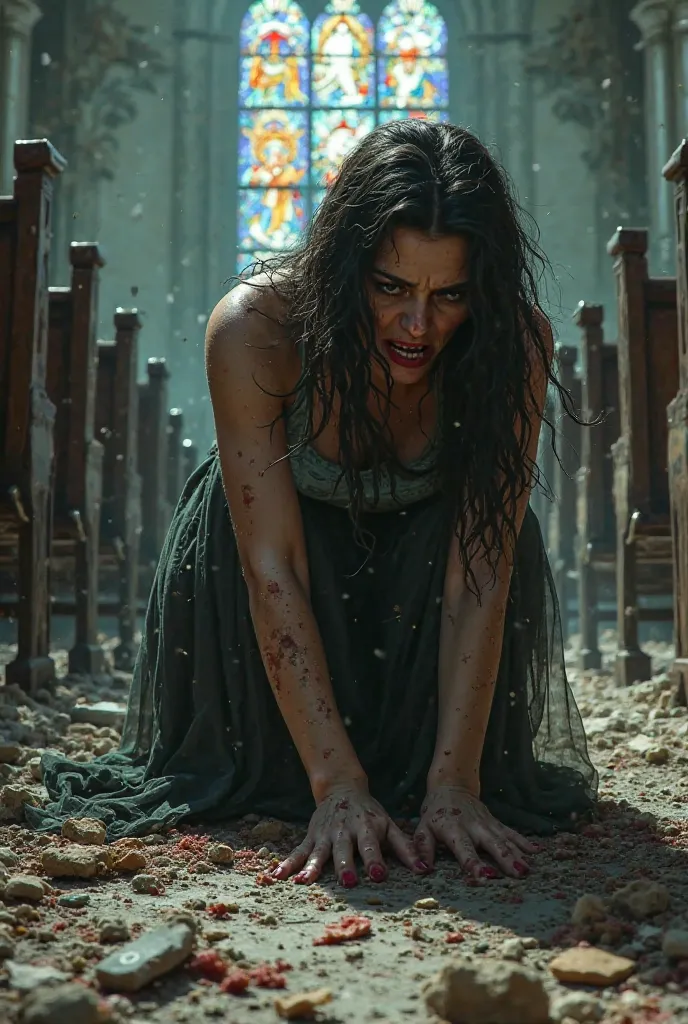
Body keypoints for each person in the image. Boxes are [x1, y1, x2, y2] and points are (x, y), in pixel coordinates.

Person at [30, 121, 597, 888]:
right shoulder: (257, 327)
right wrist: (337, 787)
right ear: (345, 263)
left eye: (450, 295)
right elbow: (274, 564)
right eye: (391, 287)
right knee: (276, 777)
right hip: (264, 589)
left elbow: (481, 573)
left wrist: (456, 783)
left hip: (426, 599)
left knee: (501, 532)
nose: (418, 324)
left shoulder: (514, 344)